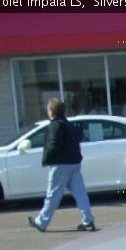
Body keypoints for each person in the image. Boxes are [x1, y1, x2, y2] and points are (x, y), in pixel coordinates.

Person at [28, 98, 96, 232]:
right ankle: (88, 220)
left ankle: (41, 222)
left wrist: (47, 158)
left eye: (48, 110)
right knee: (80, 193)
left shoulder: (55, 125)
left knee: (53, 194)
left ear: (52, 111)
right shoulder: (69, 125)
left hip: (60, 164)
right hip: (74, 163)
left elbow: (54, 144)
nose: (47, 112)